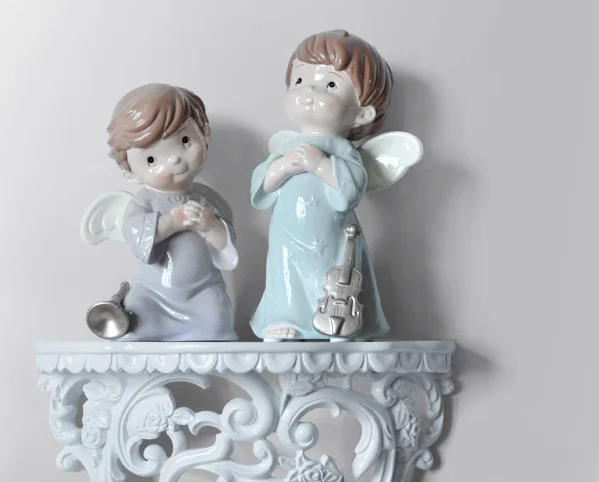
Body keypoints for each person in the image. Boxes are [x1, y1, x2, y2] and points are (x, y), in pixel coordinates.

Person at [250, 30, 393, 342]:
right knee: (285, 274)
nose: (309, 91)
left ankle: (338, 323)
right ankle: (285, 318)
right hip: (287, 234)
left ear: (362, 113)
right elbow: (261, 189)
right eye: (300, 81)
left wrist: (320, 165)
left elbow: (350, 192)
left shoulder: (343, 150)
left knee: (332, 274)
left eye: (329, 85)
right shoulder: (286, 148)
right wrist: (283, 167)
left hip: (332, 235)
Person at [107, 84, 238, 341]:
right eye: (151, 160)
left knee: (218, 326)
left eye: (185, 141)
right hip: (153, 294)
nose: (175, 160)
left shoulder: (208, 200)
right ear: (130, 173)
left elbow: (227, 242)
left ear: (205, 134)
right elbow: (137, 235)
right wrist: (172, 221)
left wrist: (211, 225)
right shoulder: (143, 202)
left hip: (203, 290)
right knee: (135, 323)